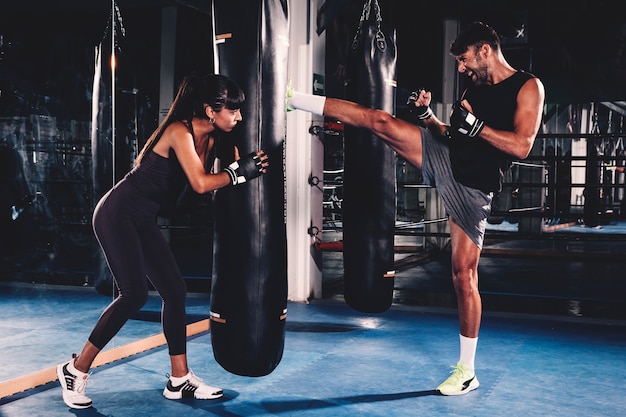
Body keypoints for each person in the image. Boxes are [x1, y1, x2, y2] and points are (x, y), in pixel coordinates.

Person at [286, 21, 545, 395]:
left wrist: (477, 128)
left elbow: (521, 145)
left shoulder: (528, 86)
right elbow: (453, 135)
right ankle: (296, 99)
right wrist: (428, 118)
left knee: (463, 277)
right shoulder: (474, 86)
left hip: (474, 189)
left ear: (485, 50)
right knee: (381, 121)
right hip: (446, 156)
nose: (461, 68)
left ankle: (467, 371)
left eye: (464, 59)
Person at [57, 74, 269, 409]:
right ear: (210, 110)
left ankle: (179, 378)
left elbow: (215, 185)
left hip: (142, 218)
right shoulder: (178, 132)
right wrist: (237, 173)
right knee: (134, 294)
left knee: (175, 291)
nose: (239, 117)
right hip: (117, 213)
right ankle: (75, 369)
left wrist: (237, 171)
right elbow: (201, 183)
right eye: (233, 110)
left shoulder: (212, 139)